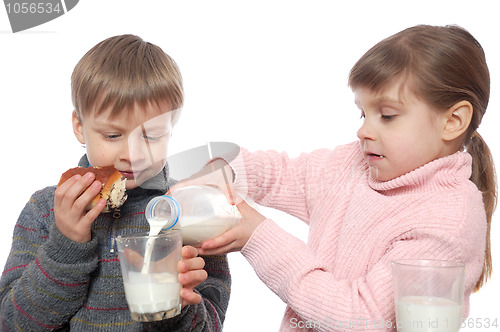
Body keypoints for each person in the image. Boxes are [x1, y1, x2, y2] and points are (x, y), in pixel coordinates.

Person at [172, 25, 497, 330]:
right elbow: (282, 174)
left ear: (453, 121)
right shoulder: (353, 165)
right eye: (362, 112)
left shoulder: (447, 221)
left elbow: (360, 318)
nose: (364, 130)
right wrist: (227, 173)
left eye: (387, 116)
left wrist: (257, 237)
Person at [0, 35, 231, 331]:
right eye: (112, 136)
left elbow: (212, 323)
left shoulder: (192, 208)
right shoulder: (45, 210)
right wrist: (66, 246)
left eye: (152, 136)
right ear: (80, 127)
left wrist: (176, 311)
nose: (132, 155)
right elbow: (11, 323)